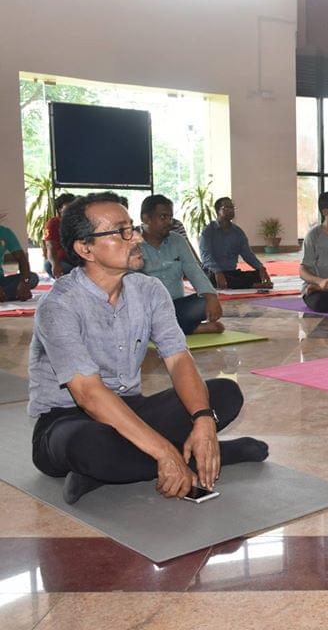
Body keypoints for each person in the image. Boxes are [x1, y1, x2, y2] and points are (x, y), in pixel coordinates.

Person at [28, 192, 268, 504]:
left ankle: (107, 472)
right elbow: (88, 395)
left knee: (225, 393)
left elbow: (178, 359)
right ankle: (216, 454)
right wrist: (165, 453)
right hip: (67, 421)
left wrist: (204, 419)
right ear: (85, 248)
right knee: (90, 445)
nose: (137, 238)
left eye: (133, 228)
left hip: (131, 409)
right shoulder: (58, 305)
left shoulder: (149, 290)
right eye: (122, 232)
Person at [139, 194, 224, 335]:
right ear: (146, 219)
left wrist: (211, 297)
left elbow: (193, 270)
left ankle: (161, 330)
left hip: (176, 305)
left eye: (170, 217)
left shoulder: (177, 240)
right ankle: (191, 328)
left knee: (204, 303)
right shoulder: (132, 243)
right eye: (163, 217)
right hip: (147, 308)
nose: (169, 222)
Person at [199, 197, 273, 290]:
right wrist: (217, 272)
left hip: (231, 273)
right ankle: (252, 285)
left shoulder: (238, 232)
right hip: (212, 272)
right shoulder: (208, 231)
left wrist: (261, 268)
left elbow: (247, 254)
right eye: (227, 207)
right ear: (218, 211)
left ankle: (244, 284)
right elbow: (206, 256)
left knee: (257, 275)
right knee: (211, 279)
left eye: (232, 207)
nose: (231, 210)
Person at [0, 221, 39, 302]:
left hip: (2, 281)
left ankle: (6, 294)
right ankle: (9, 294)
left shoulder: (4, 232)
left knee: (32, 278)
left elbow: (21, 258)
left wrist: (24, 282)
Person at [43, 193, 77, 278]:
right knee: (49, 265)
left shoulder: (80, 222)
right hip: (62, 261)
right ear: (60, 209)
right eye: (69, 207)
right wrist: (55, 264)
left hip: (79, 260)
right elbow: (50, 246)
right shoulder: (53, 223)